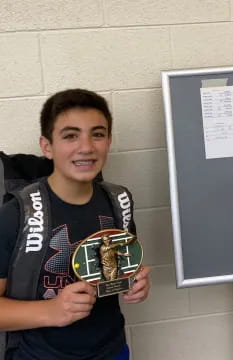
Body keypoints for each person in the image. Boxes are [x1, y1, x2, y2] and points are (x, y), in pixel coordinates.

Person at [0, 89, 150, 360]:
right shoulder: (16, 214)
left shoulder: (119, 200)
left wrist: (135, 281)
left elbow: (120, 269)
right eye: (70, 135)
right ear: (47, 146)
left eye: (98, 134)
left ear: (109, 141)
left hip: (112, 351)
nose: (86, 147)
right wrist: (51, 311)